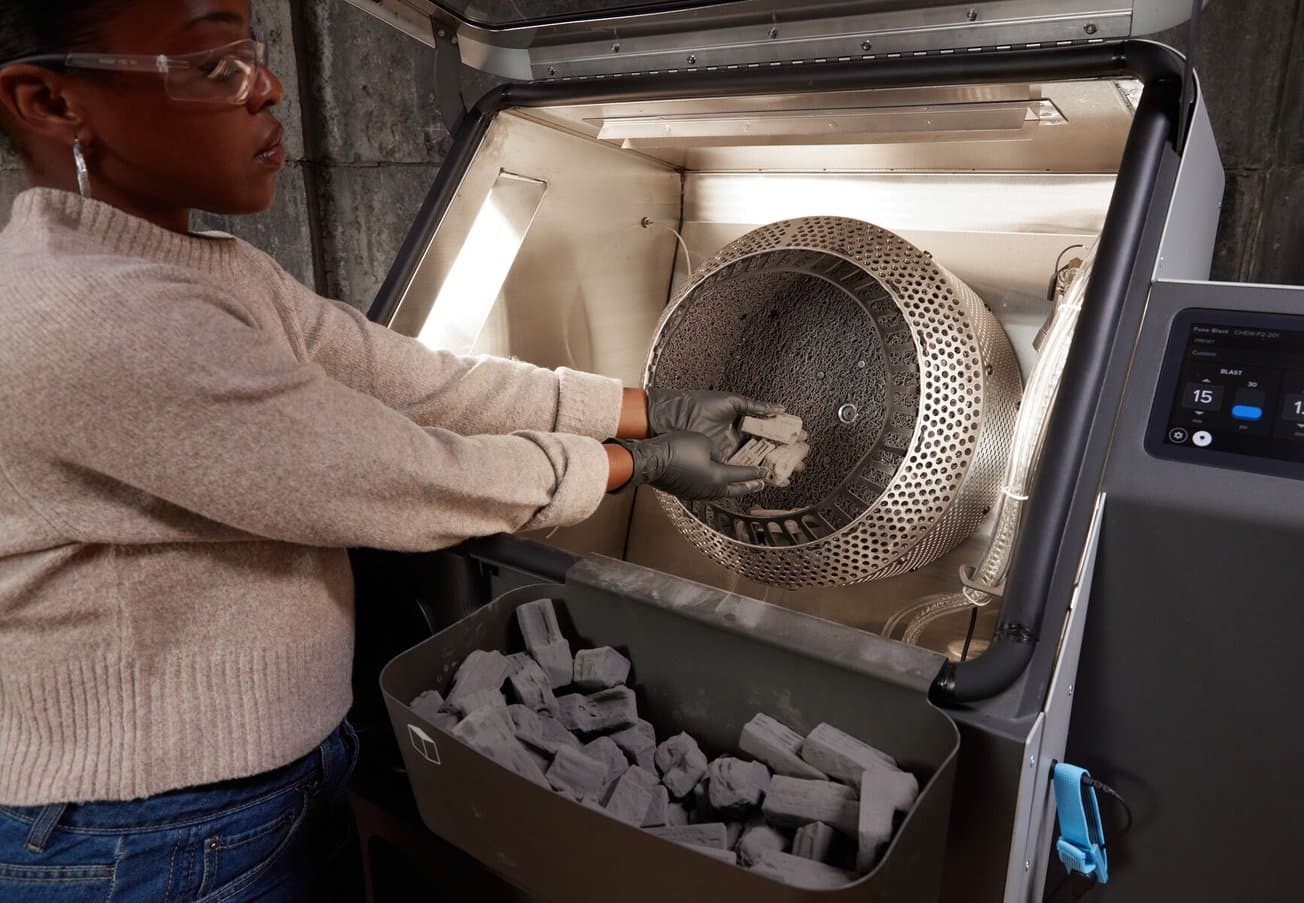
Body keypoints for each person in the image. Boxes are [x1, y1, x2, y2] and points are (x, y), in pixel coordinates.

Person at [0, 1, 777, 898]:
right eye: (212, 66)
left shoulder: (207, 268)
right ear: (49, 102)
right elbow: (401, 474)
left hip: (245, 793)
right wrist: (637, 465)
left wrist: (647, 407)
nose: (269, 87)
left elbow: (417, 380)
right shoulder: (91, 315)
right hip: (143, 836)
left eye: (252, 51)